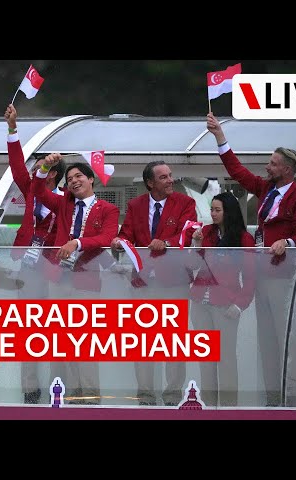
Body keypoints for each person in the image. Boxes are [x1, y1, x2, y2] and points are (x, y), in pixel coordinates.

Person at [206, 112, 296, 406]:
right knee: (266, 341)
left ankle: (291, 398)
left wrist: (287, 241)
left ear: (288, 169)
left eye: (273, 164)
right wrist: (220, 137)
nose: (267, 167)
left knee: (285, 340)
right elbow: (238, 172)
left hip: (284, 276)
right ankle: (271, 398)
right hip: (263, 274)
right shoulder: (267, 188)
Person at [32, 153, 120, 404]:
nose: (73, 181)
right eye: (69, 178)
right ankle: (68, 395)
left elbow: (106, 237)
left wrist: (77, 242)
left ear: (91, 179)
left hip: (87, 280)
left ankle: (91, 397)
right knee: (62, 341)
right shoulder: (63, 204)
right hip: (59, 279)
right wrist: (46, 166)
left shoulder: (108, 209)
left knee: (87, 342)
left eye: (79, 176)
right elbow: (38, 191)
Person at [110, 160, 197, 406]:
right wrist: (119, 240)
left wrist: (166, 242)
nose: (170, 180)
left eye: (171, 175)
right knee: (144, 342)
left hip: (174, 283)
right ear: (150, 182)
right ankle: (145, 395)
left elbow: (187, 233)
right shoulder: (135, 205)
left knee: (173, 342)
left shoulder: (185, 202)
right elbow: (127, 234)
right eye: (163, 177)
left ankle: (172, 396)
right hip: (143, 284)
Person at [5, 103, 67, 404]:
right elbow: (16, 165)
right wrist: (13, 129)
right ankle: (30, 388)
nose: (34, 169)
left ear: (53, 173)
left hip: (53, 270)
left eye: (41, 166)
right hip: (28, 269)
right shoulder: (31, 189)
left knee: (55, 330)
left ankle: (59, 383)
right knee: (27, 329)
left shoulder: (66, 200)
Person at [189, 191, 256, 406]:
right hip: (200, 303)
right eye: (212, 209)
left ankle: (228, 408)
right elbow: (191, 265)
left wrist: (240, 304)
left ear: (229, 212)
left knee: (225, 358)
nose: (213, 214)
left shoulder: (243, 238)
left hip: (226, 304)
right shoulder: (206, 232)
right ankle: (207, 406)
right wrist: (195, 243)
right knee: (205, 360)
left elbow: (251, 275)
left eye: (217, 210)